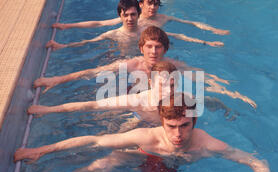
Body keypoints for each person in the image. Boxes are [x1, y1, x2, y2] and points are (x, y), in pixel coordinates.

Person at [14, 92, 278, 172]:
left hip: (167, 166)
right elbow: (94, 141)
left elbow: (253, 161)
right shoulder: (147, 135)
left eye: (184, 126)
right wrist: (41, 150)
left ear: (194, 122)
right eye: (171, 126)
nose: (177, 134)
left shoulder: (207, 144)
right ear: (162, 122)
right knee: (97, 166)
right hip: (143, 152)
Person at [34, 26, 256, 108]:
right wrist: (56, 80)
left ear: (165, 49)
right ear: (141, 48)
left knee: (206, 100)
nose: (153, 52)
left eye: (158, 47)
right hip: (138, 101)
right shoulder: (131, 64)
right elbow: (90, 73)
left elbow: (203, 79)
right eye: (149, 47)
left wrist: (232, 92)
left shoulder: (174, 66)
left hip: (166, 104)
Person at [28, 61, 233, 121]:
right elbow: (92, 104)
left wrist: (228, 109)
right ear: (151, 83)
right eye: (163, 84)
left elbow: (212, 101)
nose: (168, 90)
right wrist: (48, 110)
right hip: (142, 121)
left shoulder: (183, 99)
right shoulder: (138, 100)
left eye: (172, 85)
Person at [52, 0, 228, 45]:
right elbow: (98, 23)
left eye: (156, 4)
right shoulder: (133, 18)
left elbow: (189, 25)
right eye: (149, 4)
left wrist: (212, 33)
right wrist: (68, 26)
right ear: (141, 5)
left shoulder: (162, 19)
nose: (152, 7)